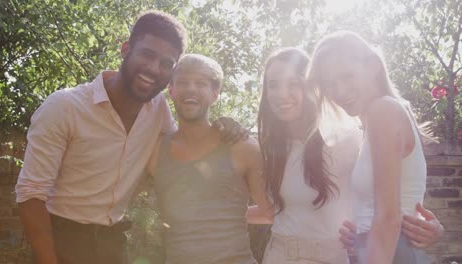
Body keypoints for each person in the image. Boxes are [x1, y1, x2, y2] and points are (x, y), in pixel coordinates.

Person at [15, 11, 245, 264]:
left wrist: (222, 126)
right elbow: (30, 194)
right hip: (61, 239)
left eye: (167, 63)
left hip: (113, 243)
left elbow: (183, 146)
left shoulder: (158, 110)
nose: (154, 69)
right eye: (147, 54)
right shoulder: (65, 107)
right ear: (126, 49)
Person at [247, 47, 443, 264]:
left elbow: (387, 195)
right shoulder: (270, 147)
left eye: (293, 84)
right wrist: (216, 215)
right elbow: (276, 211)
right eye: (272, 84)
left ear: (312, 87)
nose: (281, 94)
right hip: (278, 255)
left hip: (331, 257)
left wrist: (433, 227)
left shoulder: (347, 138)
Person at [306, 30, 433, 263]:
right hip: (384, 250)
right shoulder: (374, 121)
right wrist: (359, 232)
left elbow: (388, 217)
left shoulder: (382, 111)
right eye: (330, 83)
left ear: (373, 67)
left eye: (347, 76)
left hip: (392, 251)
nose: (340, 91)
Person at [146, 54, 272, 264]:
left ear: (215, 94)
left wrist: (234, 216)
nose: (191, 89)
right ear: (172, 91)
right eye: (183, 82)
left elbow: (272, 212)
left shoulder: (242, 147)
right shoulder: (155, 151)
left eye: (201, 83)